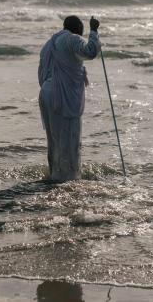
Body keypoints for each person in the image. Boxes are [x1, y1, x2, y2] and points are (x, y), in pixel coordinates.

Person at [38, 15, 100, 182]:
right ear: (78, 27)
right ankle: (69, 178)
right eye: (83, 28)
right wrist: (94, 31)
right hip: (61, 95)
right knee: (68, 137)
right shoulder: (72, 39)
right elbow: (91, 51)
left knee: (54, 140)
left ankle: (54, 174)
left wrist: (49, 87)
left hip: (45, 92)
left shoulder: (49, 44)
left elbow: (41, 72)